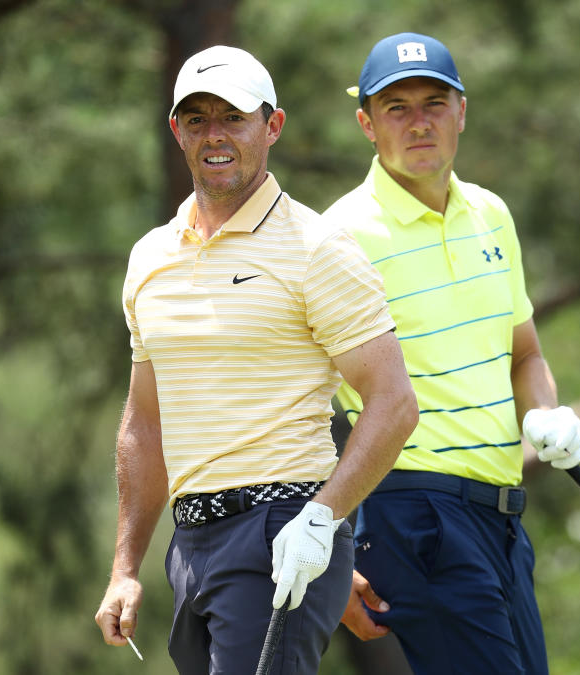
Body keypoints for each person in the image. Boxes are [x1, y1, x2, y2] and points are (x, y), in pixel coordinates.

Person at [94, 45, 418, 675]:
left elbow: (394, 403)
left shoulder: (318, 248)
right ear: (176, 131)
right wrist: (124, 569)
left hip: (283, 529)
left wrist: (322, 519)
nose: (215, 135)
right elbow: (145, 423)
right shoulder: (150, 258)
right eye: (197, 119)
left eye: (234, 117)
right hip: (190, 546)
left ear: (272, 126)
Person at [324, 33, 580, 675]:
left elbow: (524, 352)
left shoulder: (492, 215)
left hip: (501, 514)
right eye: (397, 107)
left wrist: (546, 414)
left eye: (434, 103)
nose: (419, 122)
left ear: (462, 112)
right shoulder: (339, 236)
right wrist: (332, 549)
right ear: (367, 124)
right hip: (412, 512)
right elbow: (297, 405)